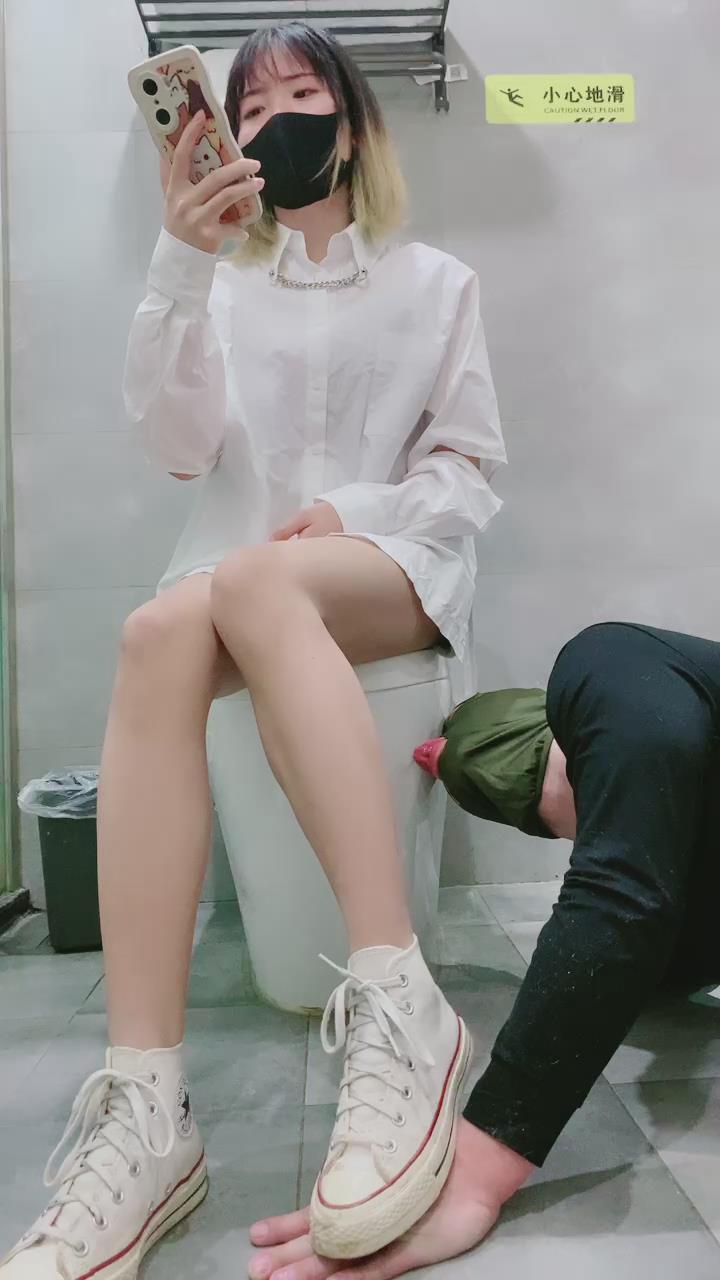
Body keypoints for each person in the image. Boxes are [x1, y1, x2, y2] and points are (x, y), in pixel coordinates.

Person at [0, 22, 507, 1280]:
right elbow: (177, 449)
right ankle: (147, 1106)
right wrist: (181, 258)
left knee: (251, 576)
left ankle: (403, 1000)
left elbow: (466, 472)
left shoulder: (437, 281)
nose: (282, 116)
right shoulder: (217, 284)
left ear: (353, 120)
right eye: (256, 102)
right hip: (241, 580)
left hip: (389, 569)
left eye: (304, 91)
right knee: (156, 628)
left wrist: (354, 511)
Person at [250, 620, 720, 1280]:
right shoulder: (680, 939)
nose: (580, 833)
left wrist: (481, 1165)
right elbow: (629, 905)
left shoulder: (615, 663)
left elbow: (621, 895)